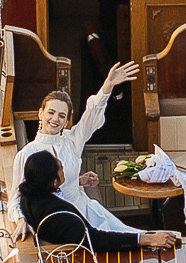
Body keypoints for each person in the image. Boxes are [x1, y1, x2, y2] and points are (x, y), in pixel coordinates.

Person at [9, 65, 140, 233]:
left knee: (132, 236)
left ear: (66, 121)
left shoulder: (72, 141)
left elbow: (91, 116)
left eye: (62, 116)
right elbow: (15, 200)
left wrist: (108, 84)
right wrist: (21, 220)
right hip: (62, 222)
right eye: (51, 112)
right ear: (40, 113)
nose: (55, 119)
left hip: (87, 211)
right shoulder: (26, 154)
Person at [16, 146, 176, 259]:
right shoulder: (60, 215)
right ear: (52, 182)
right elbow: (96, 240)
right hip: (83, 255)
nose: (64, 170)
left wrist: (78, 181)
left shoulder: (28, 196)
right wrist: (147, 239)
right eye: (60, 169)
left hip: (71, 240)